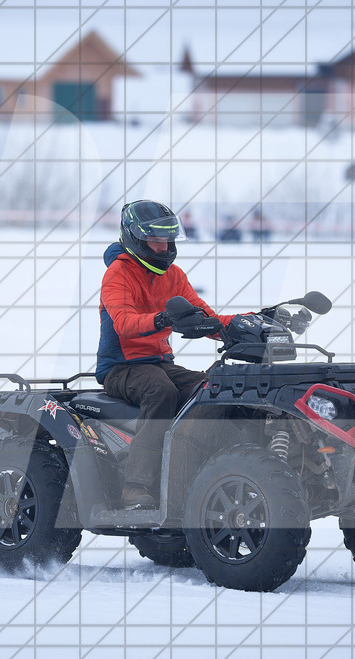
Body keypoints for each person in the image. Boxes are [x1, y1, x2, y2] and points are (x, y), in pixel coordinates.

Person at [96, 200, 235, 509]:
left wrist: (248, 323)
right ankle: (135, 486)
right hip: (121, 367)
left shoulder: (173, 275)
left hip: (159, 363)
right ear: (134, 238)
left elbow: (206, 316)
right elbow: (124, 324)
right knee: (161, 392)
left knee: (211, 388)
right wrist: (162, 318)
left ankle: (189, 474)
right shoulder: (118, 273)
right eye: (155, 240)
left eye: (167, 240)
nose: (162, 247)